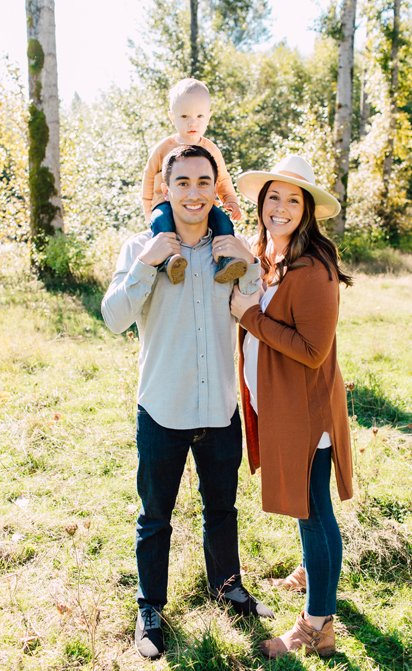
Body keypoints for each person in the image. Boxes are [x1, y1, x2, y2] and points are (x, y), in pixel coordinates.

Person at [102, 143, 273, 660]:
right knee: (155, 515)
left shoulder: (233, 245)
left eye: (204, 183)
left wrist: (249, 262)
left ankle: (227, 586)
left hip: (220, 406)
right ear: (167, 189)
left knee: (222, 507)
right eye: (183, 183)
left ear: (215, 188)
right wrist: (148, 265)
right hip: (162, 407)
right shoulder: (141, 246)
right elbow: (113, 318)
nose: (194, 194)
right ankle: (150, 608)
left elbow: (258, 309)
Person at [230, 155, 353, 659]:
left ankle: (316, 623)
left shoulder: (315, 268)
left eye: (292, 200)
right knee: (308, 509)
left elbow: (311, 350)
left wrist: (251, 316)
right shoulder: (270, 256)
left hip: (309, 412)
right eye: (273, 197)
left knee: (315, 511)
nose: (280, 208)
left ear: (306, 211)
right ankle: (313, 574)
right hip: (283, 406)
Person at [142, 78, 246, 284]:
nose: (193, 122)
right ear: (172, 117)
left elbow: (223, 178)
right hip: (165, 203)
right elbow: (147, 177)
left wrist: (230, 200)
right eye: (184, 116)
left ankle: (226, 261)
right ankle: (170, 261)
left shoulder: (211, 149)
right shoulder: (164, 148)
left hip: (204, 204)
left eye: (199, 116)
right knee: (161, 222)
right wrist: (148, 211)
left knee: (223, 222)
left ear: (209, 116)